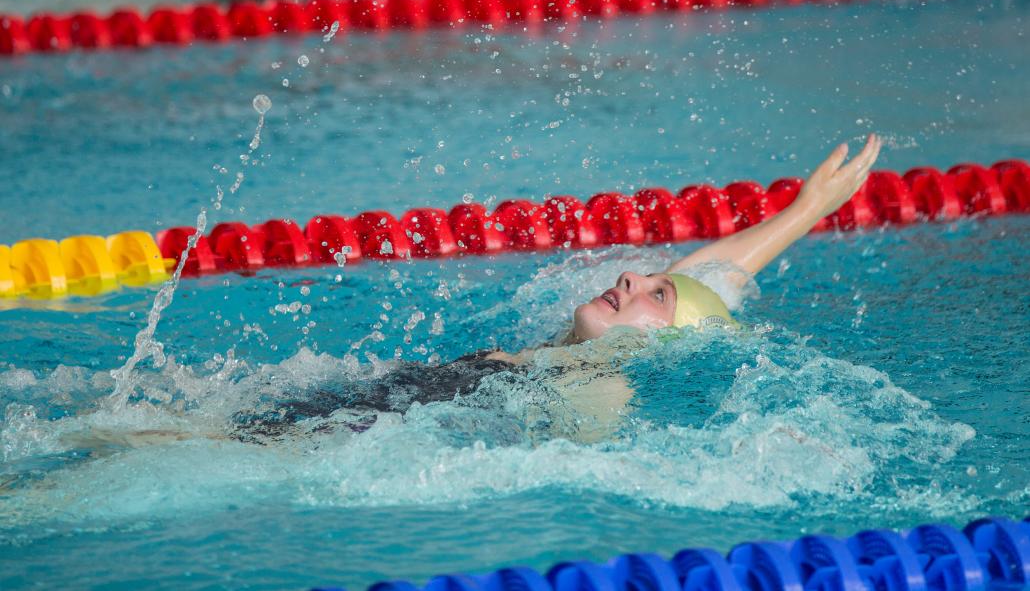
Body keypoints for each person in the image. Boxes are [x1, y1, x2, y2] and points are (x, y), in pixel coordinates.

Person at [229, 134, 882, 443]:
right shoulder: (571, 352)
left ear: (668, 343)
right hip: (377, 398)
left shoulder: (602, 388)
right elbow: (715, 274)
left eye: (657, 295)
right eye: (646, 277)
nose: (631, 277)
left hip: (367, 429)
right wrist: (806, 210)